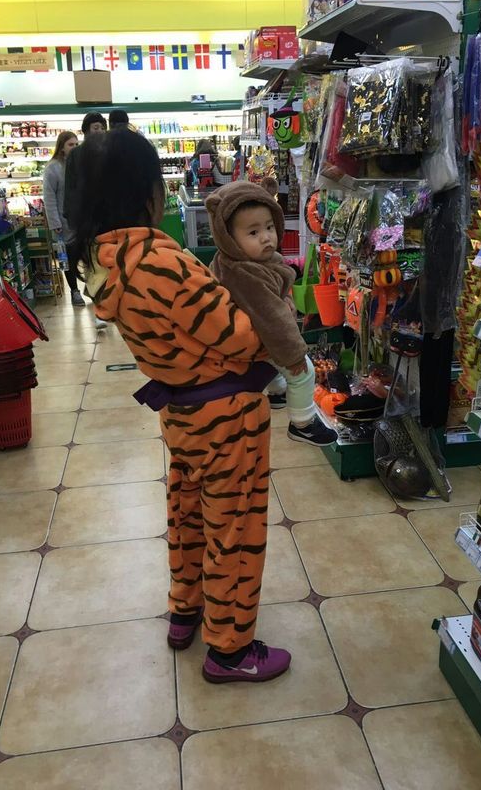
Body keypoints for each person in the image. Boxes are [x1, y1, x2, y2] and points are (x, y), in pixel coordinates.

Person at [70, 127, 291, 684]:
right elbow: (241, 337)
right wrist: (272, 304)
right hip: (227, 417)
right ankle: (230, 649)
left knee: (188, 514)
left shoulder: (97, 261)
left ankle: (185, 609)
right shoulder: (158, 259)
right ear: (147, 191)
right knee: (233, 528)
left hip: (181, 411)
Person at [206, 179, 337, 447]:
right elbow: (273, 319)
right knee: (304, 371)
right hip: (255, 335)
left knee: (273, 362)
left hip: (254, 335)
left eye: (269, 227)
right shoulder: (245, 273)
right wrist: (294, 355)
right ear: (228, 238)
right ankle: (303, 423)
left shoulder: (244, 260)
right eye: (253, 233)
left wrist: (285, 298)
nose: (266, 237)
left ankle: (277, 391)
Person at [63, 111, 108, 323]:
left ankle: (111, 301)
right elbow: (70, 187)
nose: (99, 131)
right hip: (86, 217)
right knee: (90, 260)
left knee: (108, 259)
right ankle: (98, 306)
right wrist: (71, 216)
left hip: (108, 214)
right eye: (95, 128)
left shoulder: (109, 152)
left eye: (101, 127)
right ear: (86, 130)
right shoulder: (76, 155)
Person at [43, 131, 86, 304]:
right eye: (70, 144)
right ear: (61, 148)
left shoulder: (81, 165)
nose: (74, 148)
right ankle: (74, 291)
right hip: (63, 222)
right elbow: (49, 197)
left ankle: (91, 289)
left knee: (86, 255)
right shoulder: (53, 168)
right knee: (67, 259)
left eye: (76, 144)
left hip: (81, 221)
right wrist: (55, 222)